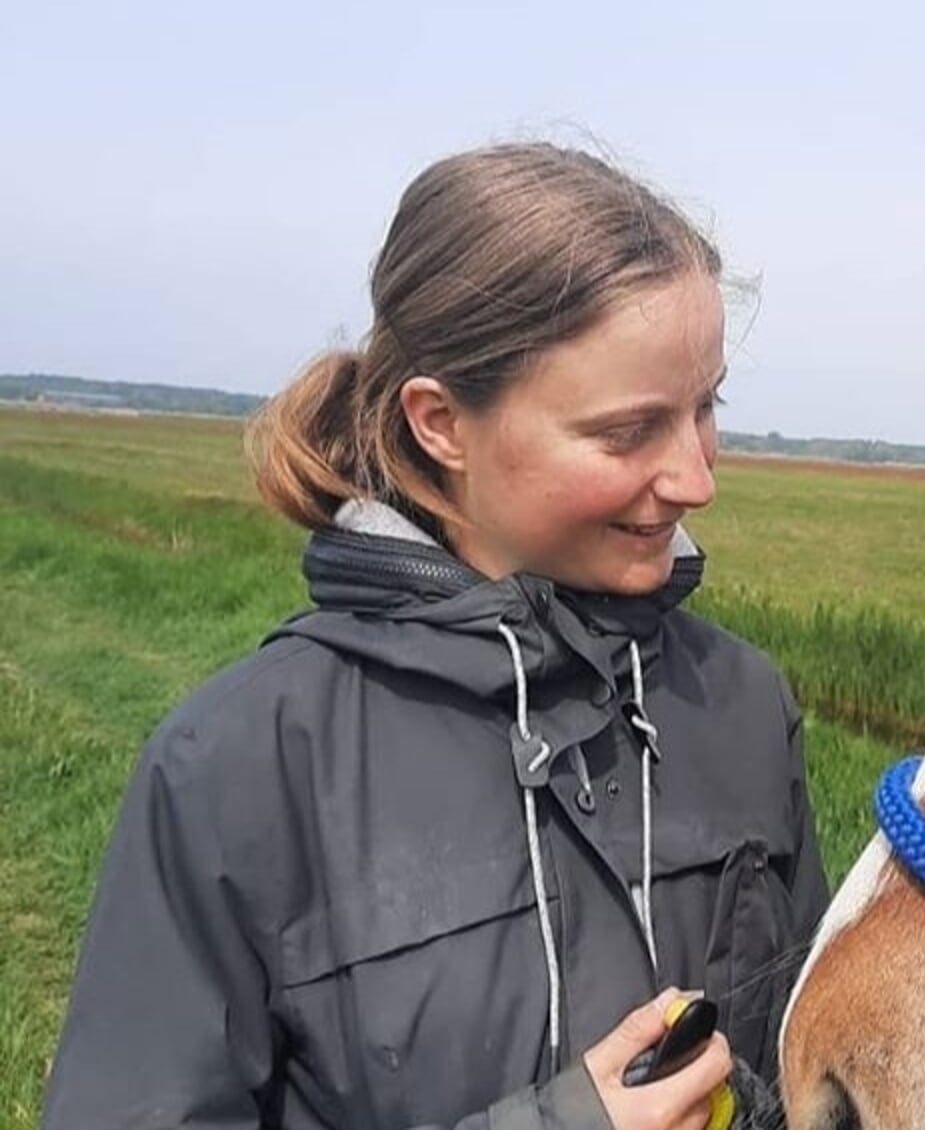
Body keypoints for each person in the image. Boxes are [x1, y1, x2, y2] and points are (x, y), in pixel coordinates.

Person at [38, 142, 829, 1130]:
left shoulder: (743, 704)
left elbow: (815, 1067)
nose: (695, 476)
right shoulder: (240, 769)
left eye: (705, 408)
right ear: (441, 423)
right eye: (629, 431)